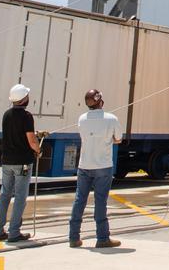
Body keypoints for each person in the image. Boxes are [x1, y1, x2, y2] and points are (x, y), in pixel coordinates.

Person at [69, 89, 123, 248]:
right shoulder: (111, 119)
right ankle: (102, 238)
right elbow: (118, 139)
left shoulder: (82, 119)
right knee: (100, 202)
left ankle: (73, 237)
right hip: (103, 166)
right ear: (101, 101)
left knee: (79, 200)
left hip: (84, 165)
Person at [0, 84, 41, 244]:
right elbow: (31, 140)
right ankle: (14, 232)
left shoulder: (6, 114)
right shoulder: (27, 116)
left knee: (4, 195)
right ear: (24, 98)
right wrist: (38, 150)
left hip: (7, 161)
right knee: (20, 197)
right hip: (22, 162)